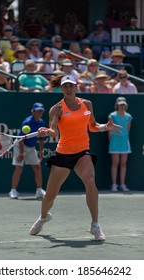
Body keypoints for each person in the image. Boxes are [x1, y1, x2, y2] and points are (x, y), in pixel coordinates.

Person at [29, 74, 122, 240]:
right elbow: (54, 131)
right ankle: (43, 217)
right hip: (63, 155)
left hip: (82, 153)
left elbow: (92, 127)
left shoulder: (86, 104)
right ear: (61, 88)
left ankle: (95, 225)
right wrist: (46, 131)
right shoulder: (56, 109)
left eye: (71, 85)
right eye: (65, 86)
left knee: (91, 183)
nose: (68, 88)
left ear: (76, 87)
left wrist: (104, 127)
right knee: (50, 196)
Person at [9, 102, 46, 199]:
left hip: (31, 147)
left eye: (41, 111)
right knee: (19, 168)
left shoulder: (41, 122)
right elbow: (21, 138)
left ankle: (39, 191)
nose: (39, 113)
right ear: (32, 112)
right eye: (37, 111)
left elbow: (41, 139)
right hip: (20, 145)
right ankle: (13, 191)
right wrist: (21, 153)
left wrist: (41, 153)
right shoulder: (27, 122)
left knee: (37, 168)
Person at [108, 97, 132, 192]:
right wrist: (112, 140)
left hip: (124, 142)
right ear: (117, 105)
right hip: (114, 141)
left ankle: (122, 184)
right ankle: (114, 185)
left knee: (123, 164)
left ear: (125, 105)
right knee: (115, 163)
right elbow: (109, 130)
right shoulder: (112, 116)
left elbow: (128, 130)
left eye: (123, 104)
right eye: (120, 104)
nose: (122, 106)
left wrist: (124, 138)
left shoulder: (129, 117)